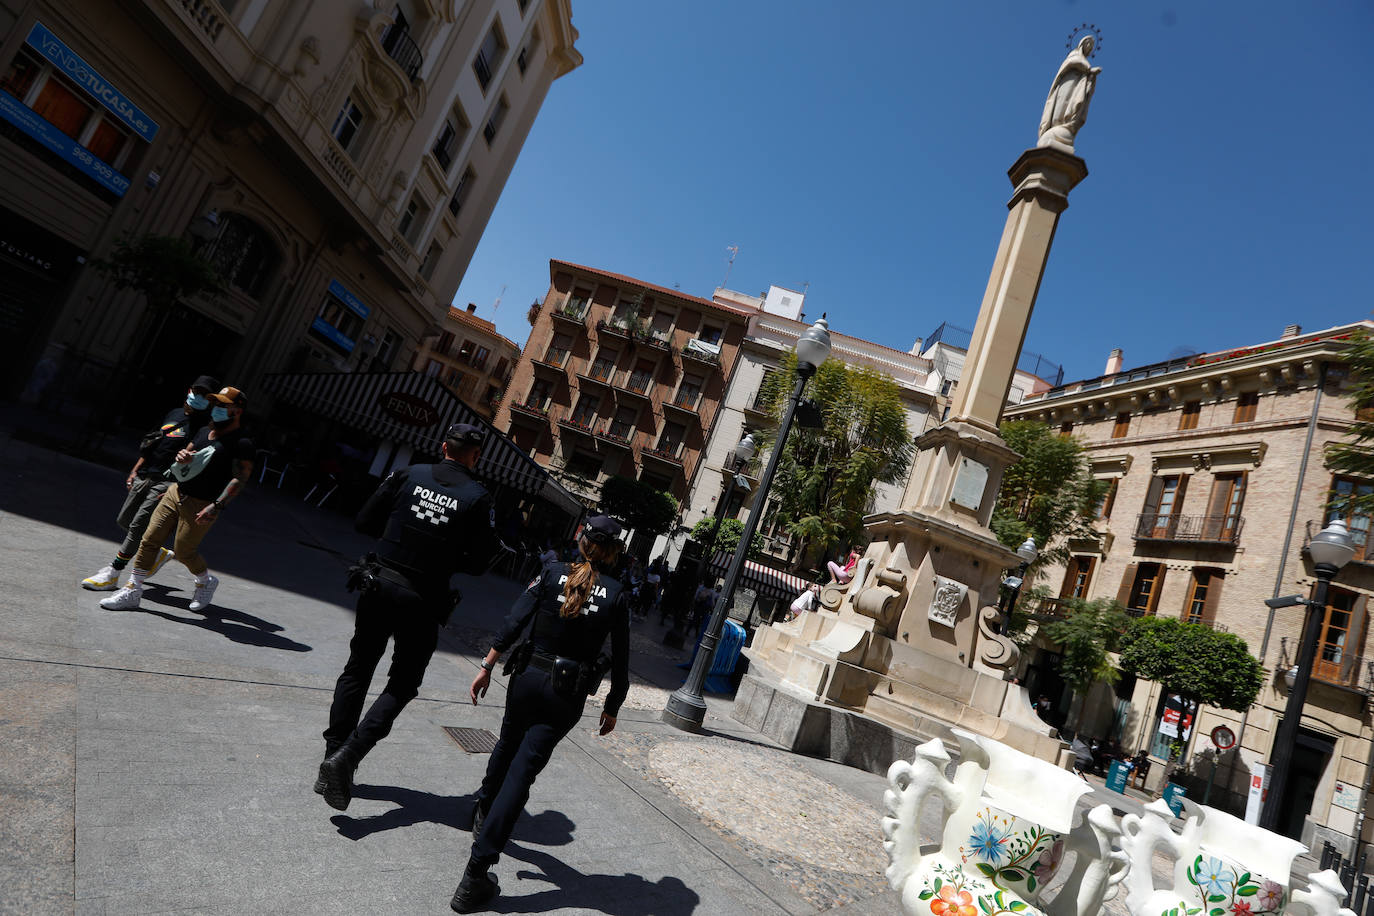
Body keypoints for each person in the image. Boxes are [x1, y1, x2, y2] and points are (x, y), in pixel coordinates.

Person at [314, 423, 499, 811]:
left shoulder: (408, 474)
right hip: (424, 598)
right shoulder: (477, 497)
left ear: (444, 445)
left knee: (358, 668)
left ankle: (332, 757)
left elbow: (364, 521)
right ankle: (347, 757)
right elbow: (482, 562)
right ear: (475, 456)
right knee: (402, 684)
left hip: (378, 584)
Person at [454, 515, 631, 913]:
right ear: (614, 551)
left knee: (508, 742)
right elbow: (621, 658)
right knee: (523, 771)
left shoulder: (552, 573)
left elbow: (515, 619)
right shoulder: (617, 594)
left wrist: (487, 665)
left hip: (528, 677)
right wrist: (613, 705)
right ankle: (476, 871)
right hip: (565, 694)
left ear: (581, 539)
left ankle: (483, 808)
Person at [99, 387, 254, 613]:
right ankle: (133, 590)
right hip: (175, 492)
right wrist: (182, 459)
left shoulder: (242, 443)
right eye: (216, 404)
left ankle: (205, 581)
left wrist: (217, 505)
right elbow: (184, 456)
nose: (216, 409)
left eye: (223, 405)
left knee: (184, 552)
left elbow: (239, 479)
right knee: (149, 539)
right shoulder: (204, 431)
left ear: (237, 411)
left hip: (202, 503)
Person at [81, 374, 220, 590]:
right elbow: (152, 443)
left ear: (211, 402)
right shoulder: (174, 413)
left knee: (138, 527)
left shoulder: (204, 428)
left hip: (167, 483)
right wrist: (135, 470)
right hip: (146, 475)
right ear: (189, 390)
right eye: (197, 391)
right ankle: (157, 553)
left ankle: (113, 573)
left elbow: (198, 464)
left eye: (205, 395)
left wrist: (176, 489)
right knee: (124, 520)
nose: (198, 397)